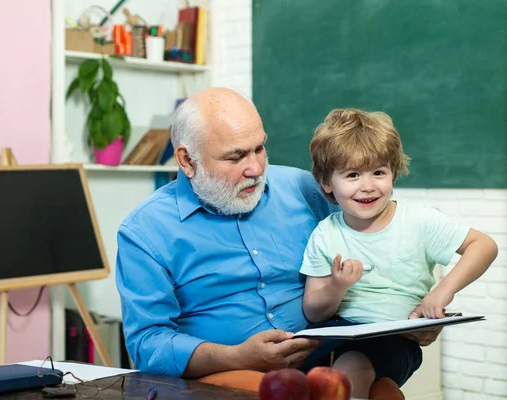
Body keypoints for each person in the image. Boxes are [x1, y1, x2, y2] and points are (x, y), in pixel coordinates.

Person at [115, 88, 439, 398]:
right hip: (229, 374)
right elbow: (149, 344)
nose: (255, 168)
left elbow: (373, 249)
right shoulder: (145, 232)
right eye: (236, 157)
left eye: (259, 148)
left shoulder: (304, 189)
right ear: (187, 161)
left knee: (395, 350)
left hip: (332, 356)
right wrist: (237, 356)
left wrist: (412, 311)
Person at [300, 108, 498, 399]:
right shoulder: (325, 234)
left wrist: (442, 292)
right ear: (327, 183)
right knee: (340, 377)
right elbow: (313, 311)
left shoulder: (419, 221)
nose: (368, 186)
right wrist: (337, 285)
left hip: (396, 340)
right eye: (353, 175)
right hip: (338, 335)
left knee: (353, 365)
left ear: (393, 172)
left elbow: (484, 246)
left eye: (379, 172)